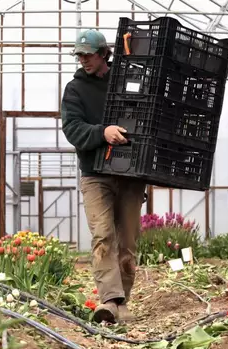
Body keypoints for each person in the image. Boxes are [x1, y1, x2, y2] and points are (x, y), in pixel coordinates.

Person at [61, 29, 146, 324]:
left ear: (103, 54)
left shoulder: (126, 81)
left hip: (130, 174)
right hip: (95, 174)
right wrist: (102, 132)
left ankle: (123, 300)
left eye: (88, 54)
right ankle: (109, 301)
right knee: (103, 235)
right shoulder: (75, 89)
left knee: (129, 241)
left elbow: (144, 116)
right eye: (80, 55)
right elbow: (72, 129)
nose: (83, 59)